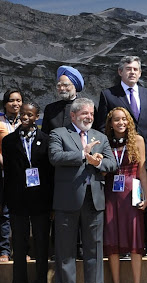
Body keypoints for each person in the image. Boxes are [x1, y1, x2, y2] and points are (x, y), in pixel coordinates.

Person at [48, 98, 117, 283]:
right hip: (67, 199)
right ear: (73, 115)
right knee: (65, 247)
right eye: (85, 114)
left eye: (91, 114)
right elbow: (55, 156)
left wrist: (99, 162)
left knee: (94, 247)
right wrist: (82, 155)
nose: (89, 117)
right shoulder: (59, 133)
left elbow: (112, 164)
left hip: (93, 198)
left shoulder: (100, 136)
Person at [95, 55, 147, 256]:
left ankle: (145, 245)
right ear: (120, 72)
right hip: (120, 163)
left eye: (135, 69)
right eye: (128, 69)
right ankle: (123, 246)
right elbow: (102, 127)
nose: (132, 72)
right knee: (122, 207)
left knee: (144, 204)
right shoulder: (108, 95)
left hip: (144, 161)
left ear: (140, 72)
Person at [2, 102, 53, 283]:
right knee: (20, 248)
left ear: (36, 116)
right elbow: (9, 173)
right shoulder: (9, 141)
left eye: (29, 115)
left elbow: (51, 174)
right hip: (18, 200)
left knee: (41, 245)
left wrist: (51, 203)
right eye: (22, 114)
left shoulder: (46, 140)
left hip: (41, 200)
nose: (25, 117)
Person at [103, 107, 147, 283]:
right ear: (110, 123)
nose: (121, 123)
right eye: (116, 120)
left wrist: (146, 196)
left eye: (124, 119)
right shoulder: (105, 142)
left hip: (132, 192)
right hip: (111, 194)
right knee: (112, 238)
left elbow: (142, 171)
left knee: (134, 238)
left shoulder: (138, 140)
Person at [42, 65, 85, 260]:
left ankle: (81, 248)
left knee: (82, 209)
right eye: (59, 85)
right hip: (56, 168)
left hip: (80, 167)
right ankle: (57, 249)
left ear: (75, 86)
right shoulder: (50, 109)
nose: (61, 88)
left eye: (65, 85)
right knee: (57, 211)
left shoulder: (85, 106)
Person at [0, 89, 23, 263]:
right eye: (11, 100)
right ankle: (4, 250)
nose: (15, 104)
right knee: (5, 212)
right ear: (5, 103)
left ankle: (22, 250)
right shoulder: (0, 121)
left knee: (22, 212)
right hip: (3, 172)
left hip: (24, 174)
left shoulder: (26, 121)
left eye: (18, 100)